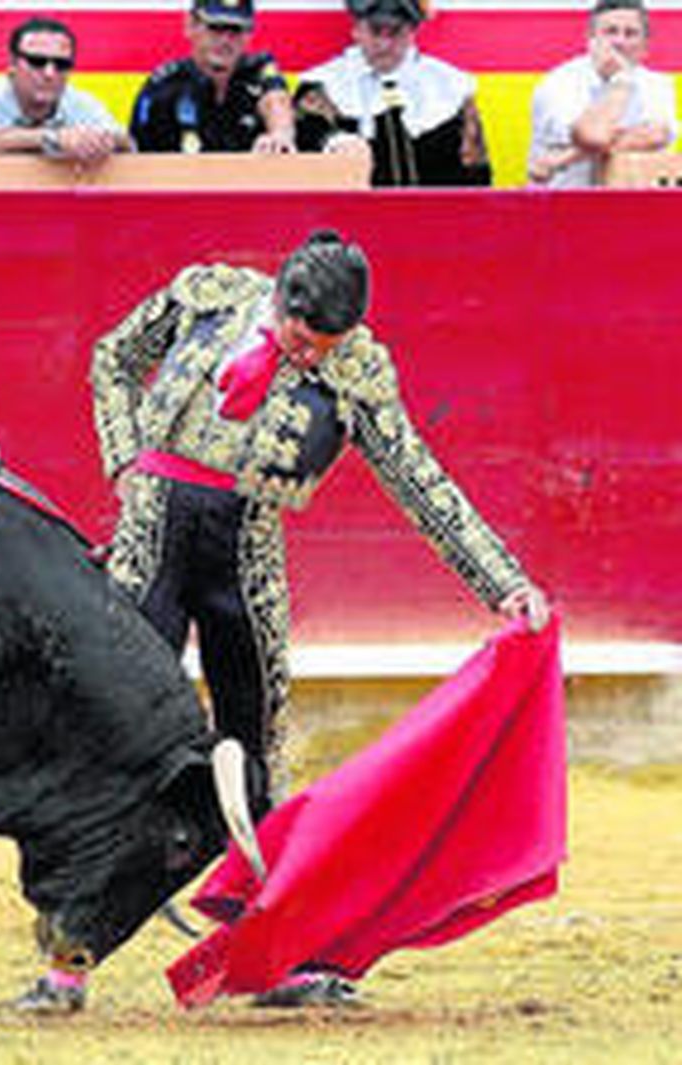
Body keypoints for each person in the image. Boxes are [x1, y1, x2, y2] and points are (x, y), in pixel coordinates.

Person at [91, 230, 549, 885]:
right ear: (279, 300)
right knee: (120, 708)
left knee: (254, 728)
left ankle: (255, 901)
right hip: (150, 529)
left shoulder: (355, 371)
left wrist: (503, 583)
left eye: (325, 348)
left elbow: (418, 479)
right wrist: (123, 456)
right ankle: (82, 905)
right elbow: (114, 357)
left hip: (244, 550)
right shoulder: (209, 295)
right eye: (302, 341)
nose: (310, 358)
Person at [293, 0, 489, 185]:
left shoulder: (450, 86)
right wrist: (332, 141)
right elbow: (302, 143)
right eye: (375, 31)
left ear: (412, 32)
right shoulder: (323, 85)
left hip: (435, 209)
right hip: (352, 209)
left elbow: (476, 174)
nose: (384, 44)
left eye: (395, 33)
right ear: (357, 30)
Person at [527, 0, 675, 187]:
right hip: (563, 198)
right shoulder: (560, 83)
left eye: (631, 33)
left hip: (624, 198)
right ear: (591, 38)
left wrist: (564, 158)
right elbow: (594, 137)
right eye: (610, 32)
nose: (620, 41)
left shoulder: (657, 83)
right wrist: (620, 82)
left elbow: (655, 136)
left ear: (645, 44)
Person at [0, 15, 131, 162]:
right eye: (37, 62)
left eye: (61, 64)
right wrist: (54, 139)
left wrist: (102, 141)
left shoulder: (80, 101)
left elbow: (126, 143)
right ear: (12, 64)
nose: (49, 73)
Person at [130, 0, 295, 154]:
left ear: (249, 35)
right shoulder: (164, 87)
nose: (225, 40)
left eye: (236, 30)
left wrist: (279, 134)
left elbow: (276, 101)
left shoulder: (257, 71)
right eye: (216, 28)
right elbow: (136, 153)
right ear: (190, 26)